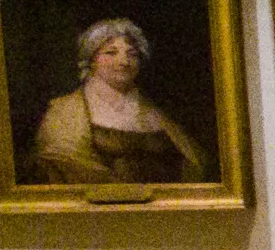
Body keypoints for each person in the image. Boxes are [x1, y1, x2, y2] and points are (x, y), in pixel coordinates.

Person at [28, 18, 207, 185]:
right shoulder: (64, 110)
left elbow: (194, 161)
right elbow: (61, 158)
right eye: (111, 53)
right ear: (91, 60)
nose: (124, 61)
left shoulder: (154, 112)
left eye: (132, 54)